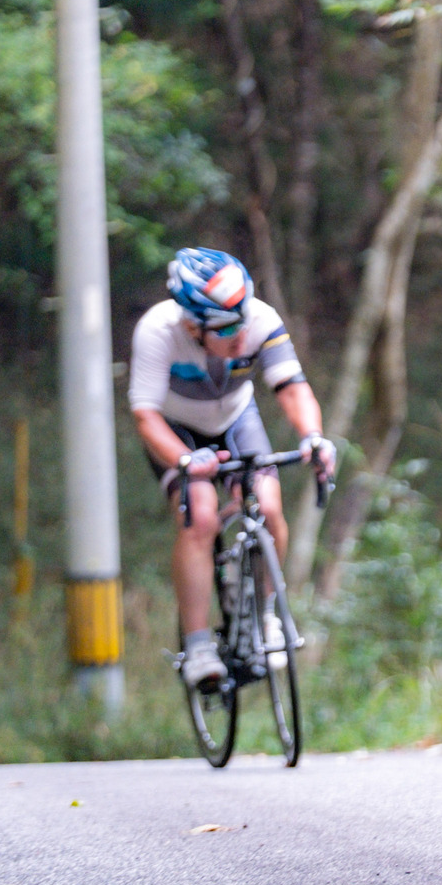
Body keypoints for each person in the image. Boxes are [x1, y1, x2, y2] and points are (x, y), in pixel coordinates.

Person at [128, 248, 336, 689]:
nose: (240, 334)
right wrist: (186, 461)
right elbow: (145, 416)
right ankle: (199, 643)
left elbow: (291, 387)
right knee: (200, 516)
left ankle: (263, 614)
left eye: (241, 319)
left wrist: (313, 436)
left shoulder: (258, 319)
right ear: (191, 325)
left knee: (268, 504)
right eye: (225, 328)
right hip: (176, 429)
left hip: (235, 419)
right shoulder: (158, 331)